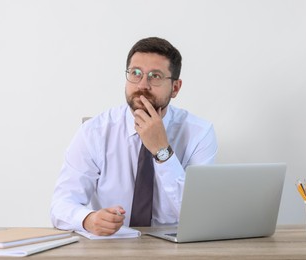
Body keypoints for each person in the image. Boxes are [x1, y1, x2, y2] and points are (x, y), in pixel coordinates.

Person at [50, 37, 218, 236]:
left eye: (155, 76)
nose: (143, 85)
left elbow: (197, 214)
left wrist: (161, 150)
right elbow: (60, 205)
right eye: (135, 73)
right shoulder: (94, 131)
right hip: (113, 245)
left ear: (175, 88)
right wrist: (88, 219)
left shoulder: (200, 133)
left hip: (175, 248)